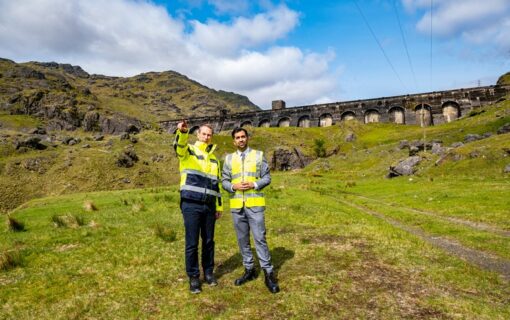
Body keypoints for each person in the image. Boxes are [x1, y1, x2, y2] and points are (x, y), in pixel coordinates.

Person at [221, 127, 280, 293]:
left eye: (243, 137)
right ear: (234, 141)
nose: (240, 140)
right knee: (242, 240)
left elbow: (267, 177)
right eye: (237, 137)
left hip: (255, 205)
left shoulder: (258, 155)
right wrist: (233, 186)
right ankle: (249, 270)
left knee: (260, 238)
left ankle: (268, 273)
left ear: (247, 138)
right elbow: (224, 181)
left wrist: (254, 184)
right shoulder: (228, 159)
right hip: (237, 206)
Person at [173, 120, 222, 294]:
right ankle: (194, 277)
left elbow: (217, 184)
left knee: (209, 241)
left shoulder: (215, 159)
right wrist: (182, 133)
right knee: (192, 242)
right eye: (204, 134)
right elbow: (179, 146)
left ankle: (208, 272)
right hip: (191, 203)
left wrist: (219, 206)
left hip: (209, 205)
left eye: (209, 134)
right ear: (197, 134)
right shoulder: (188, 151)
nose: (207, 137)